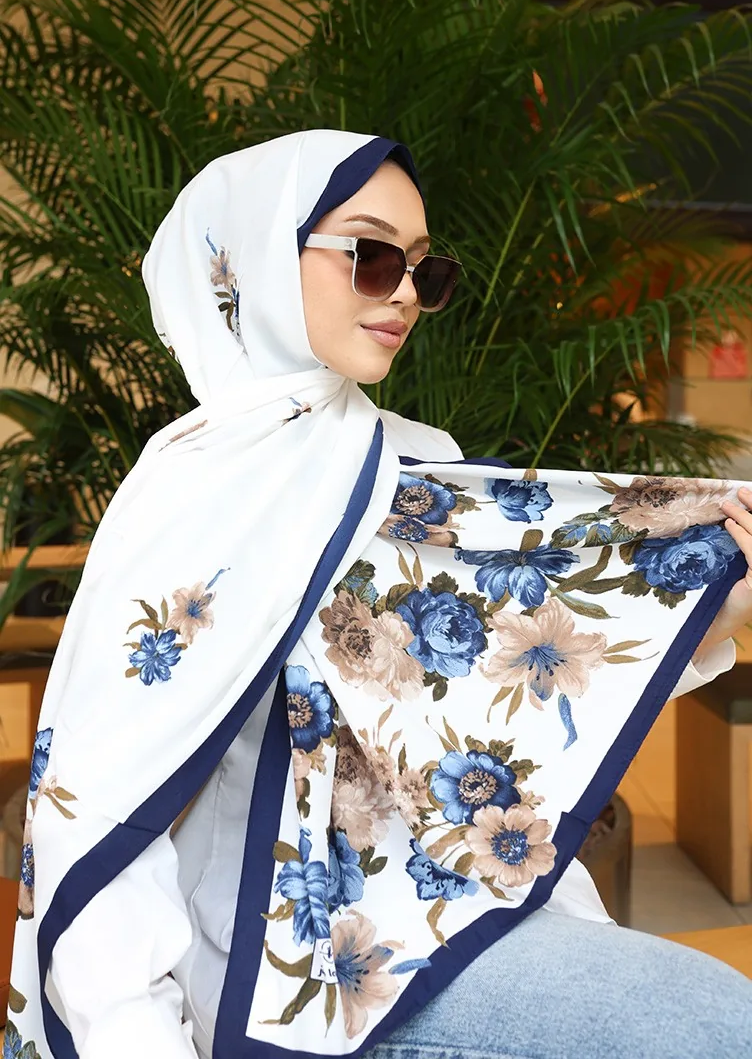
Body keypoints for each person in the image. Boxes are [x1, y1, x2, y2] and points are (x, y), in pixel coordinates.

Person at [6, 130, 752, 1059]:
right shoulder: (194, 490)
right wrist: (133, 1035)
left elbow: (507, 679)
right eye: (370, 255)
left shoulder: (414, 461)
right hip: (275, 962)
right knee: (714, 1026)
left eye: (423, 269)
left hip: (435, 904)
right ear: (255, 261)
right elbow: (96, 805)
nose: (403, 292)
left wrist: (721, 598)